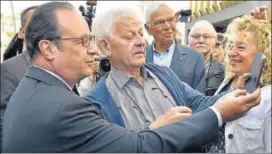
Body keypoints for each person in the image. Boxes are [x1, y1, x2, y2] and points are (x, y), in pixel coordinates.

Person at [2, 2, 261, 153]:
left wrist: (232, 93)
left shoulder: (164, 74)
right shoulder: (93, 102)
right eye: (129, 36)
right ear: (106, 45)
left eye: (141, 34)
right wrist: (155, 129)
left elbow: (199, 103)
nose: (140, 42)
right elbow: (133, 147)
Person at [212, 15, 271, 153]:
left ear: (262, 53)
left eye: (241, 47)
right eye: (231, 46)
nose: (231, 53)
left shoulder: (268, 98)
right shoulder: (227, 82)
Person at [144, 3, 206, 93]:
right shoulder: (140, 56)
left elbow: (199, 100)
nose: (168, 26)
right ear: (148, 29)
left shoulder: (195, 59)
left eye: (171, 20)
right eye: (160, 22)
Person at [0, 5, 37, 151]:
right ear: (22, 32)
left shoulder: (60, 66)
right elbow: (3, 121)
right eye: (35, 24)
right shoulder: (9, 69)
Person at [188, 20, 225, 96]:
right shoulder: (178, 65)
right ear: (189, 40)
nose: (201, 41)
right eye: (196, 36)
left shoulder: (223, 72)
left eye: (206, 36)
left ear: (214, 41)